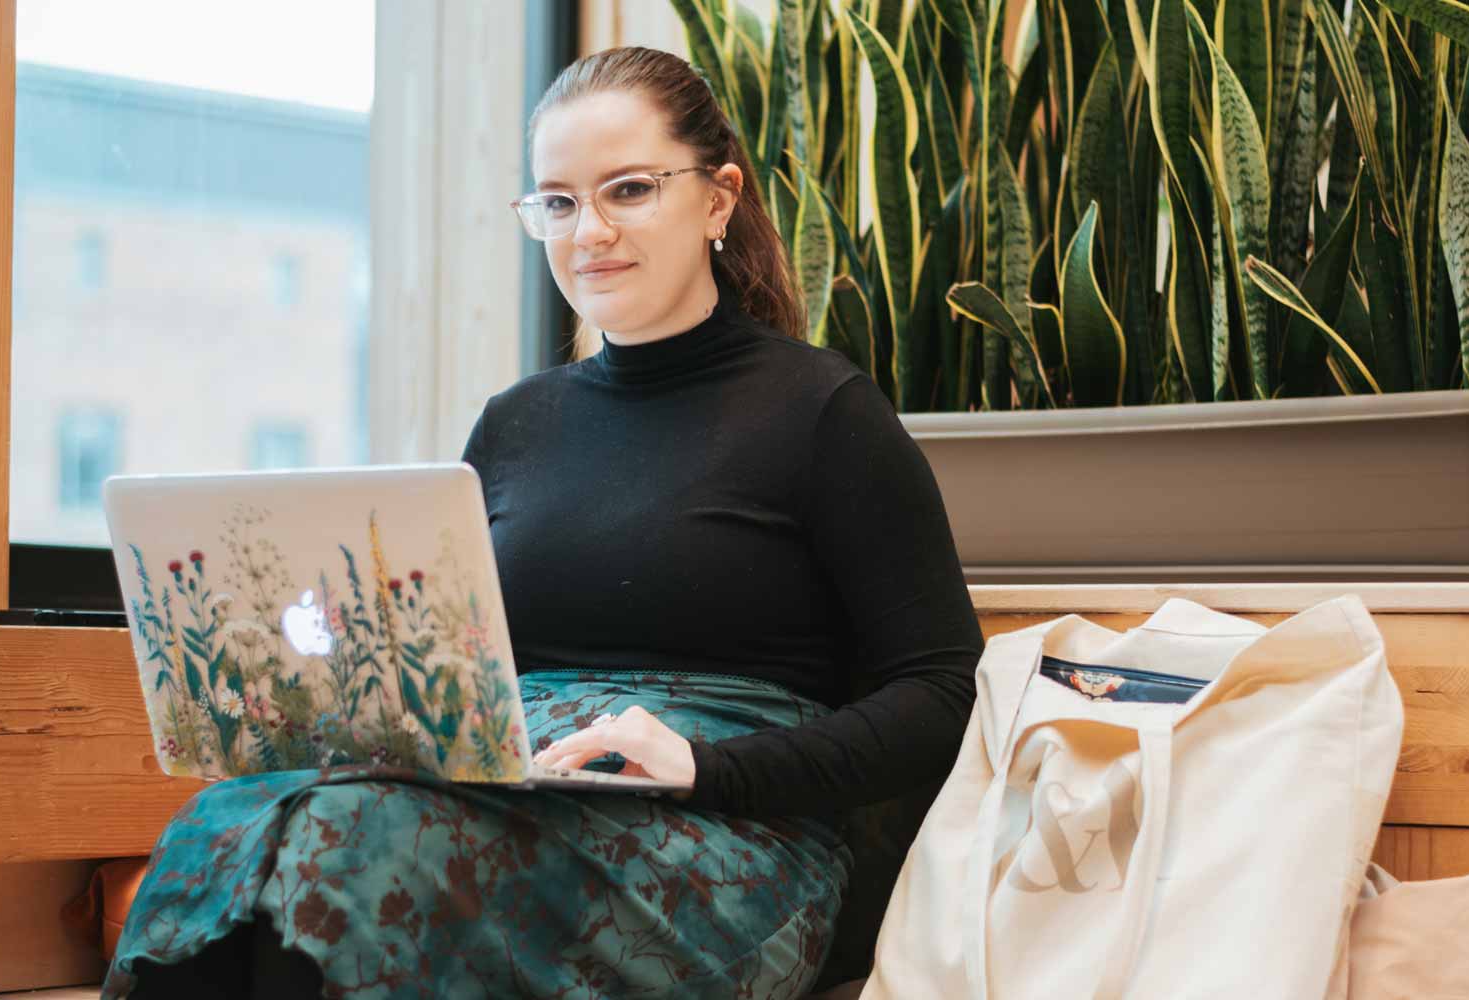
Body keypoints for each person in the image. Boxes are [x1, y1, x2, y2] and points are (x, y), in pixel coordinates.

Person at [104, 45, 985, 1000]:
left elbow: (939, 693)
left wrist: (703, 765)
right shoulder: (514, 424)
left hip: (732, 842)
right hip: (513, 798)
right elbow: (449, 657)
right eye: (559, 203)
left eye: (629, 191)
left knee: (353, 845)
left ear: (718, 199)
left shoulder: (825, 412)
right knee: (234, 817)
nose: (589, 232)